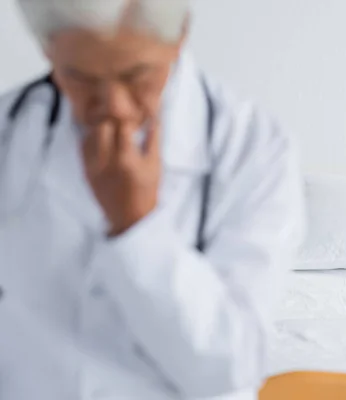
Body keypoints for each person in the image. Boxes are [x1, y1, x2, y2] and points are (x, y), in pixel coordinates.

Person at [0, 1, 305, 399]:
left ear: (179, 38)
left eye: (136, 75)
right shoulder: (11, 131)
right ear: (48, 49)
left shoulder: (253, 148)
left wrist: (136, 224)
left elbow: (228, 365)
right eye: (80, 77)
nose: (114, 106)